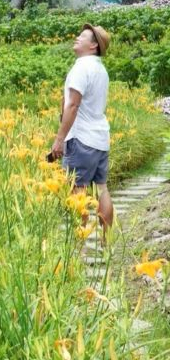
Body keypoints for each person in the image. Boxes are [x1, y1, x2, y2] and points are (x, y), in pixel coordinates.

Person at [50, 24, 113, 239]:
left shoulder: (81, 67)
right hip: (100, 138)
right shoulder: (100, 69)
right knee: (102, 189)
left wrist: (59, 139)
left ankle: (80, 245)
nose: (76, 38)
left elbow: (73, 105)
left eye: (82, 36)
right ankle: (106, 243)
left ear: (93, 45)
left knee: (78, 191)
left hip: (81, 139)